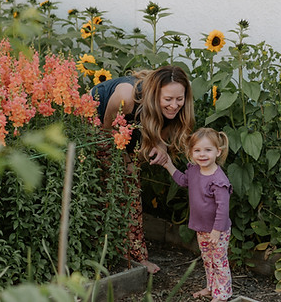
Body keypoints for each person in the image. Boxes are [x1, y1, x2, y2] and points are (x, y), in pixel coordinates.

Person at [91, 65, 195, 274]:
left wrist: (159, 146)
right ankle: (99, 250)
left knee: (131, 192)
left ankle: (134, 257)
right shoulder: (126, 96)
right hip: (95, 124)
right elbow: (105, 131)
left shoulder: (174, 108)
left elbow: (159, 137)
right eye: (168, 100)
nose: (174, 105)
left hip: (128, 130)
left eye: (179, 99)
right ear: (155, 94)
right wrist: (124, 166)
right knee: (105, 189)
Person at [161, 127, 233, 302]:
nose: (202, 154)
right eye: (197, 150)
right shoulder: (194, 170)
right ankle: (211, 287)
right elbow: (182, 180)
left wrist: (216, 230)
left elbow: (223, 209)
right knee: (207, 259)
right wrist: (168, 164)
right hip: (202, 228)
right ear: (191, 152)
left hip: (218, 230)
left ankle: (223, 293)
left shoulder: (219, 180)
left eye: (208, 150)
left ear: (218, 152)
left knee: (219, 261)